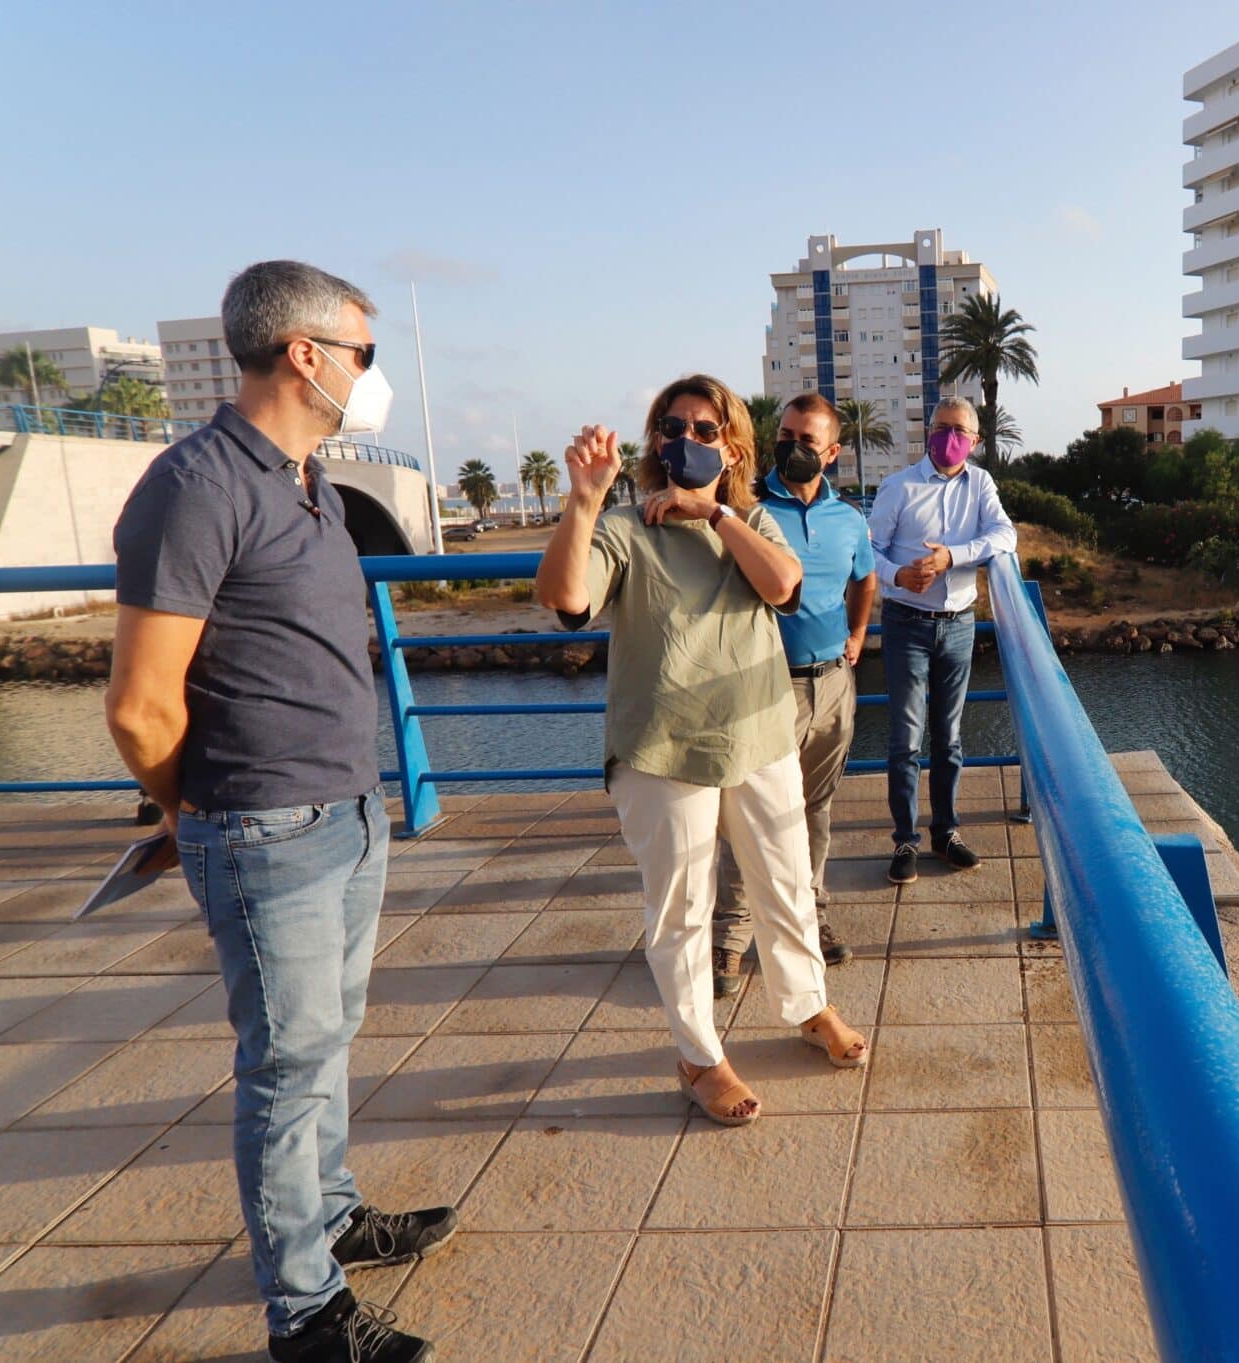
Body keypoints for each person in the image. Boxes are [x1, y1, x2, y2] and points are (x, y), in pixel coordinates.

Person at [106, 261, 452, 1363]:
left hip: (348, 813)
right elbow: (139, 703)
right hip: (264, 828)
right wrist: (191, 809)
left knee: (328, 1041)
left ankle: (337, 1213)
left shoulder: (303, 479)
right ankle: (305, 1310)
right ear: (306, 354)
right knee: (285, 1067)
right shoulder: (197, 487)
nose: (370, 373)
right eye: (364, 351)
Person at [534, 374, 869, 1127]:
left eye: (705, 429)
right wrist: (584, 500)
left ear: (734, 446)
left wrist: (715, 511)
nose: (685, 440)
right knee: (683, 909)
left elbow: (784, 585)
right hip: (663, 751)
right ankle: (698, 1054)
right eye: (671, 427)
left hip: (759, 738)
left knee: (784, 885)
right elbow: (565, 598)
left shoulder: (751, 519)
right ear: (655, 441)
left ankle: (808, 1006)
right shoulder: (625, 528)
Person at [711, 391, 876, 998]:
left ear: (831, 452)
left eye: (808, 441)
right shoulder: (746, 509)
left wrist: (858, 634)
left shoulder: (850, 520)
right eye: (785, 436)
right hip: (761, 684)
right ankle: (729, 937)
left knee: (814, 807)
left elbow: (865, 578)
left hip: (832, 683)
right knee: (744, 813)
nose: (792, 448)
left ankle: (810, 912)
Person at [867, 395, 1018, 885]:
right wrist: (895, 576)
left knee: (949, 739)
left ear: (974, 441)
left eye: (960, 430)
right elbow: (867, 552)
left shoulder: (981, 483)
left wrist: (953, 557)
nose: (950, 437)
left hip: (958, 624)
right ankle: (905, 840)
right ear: (928, 431)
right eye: (942, 427)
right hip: (906, 623)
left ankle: (945, 832)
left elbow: (1005, 535)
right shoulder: (899, 487)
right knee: (905, 739)